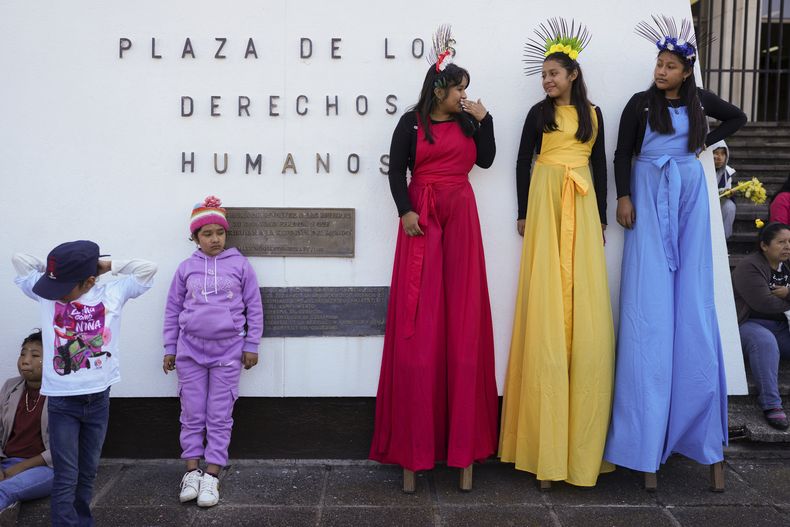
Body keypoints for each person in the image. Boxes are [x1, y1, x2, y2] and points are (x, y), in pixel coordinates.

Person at [605, 16, 747, 489]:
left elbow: (738, 117)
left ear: (686, 72)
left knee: (692, 299)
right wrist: (624, 196)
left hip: (687, 193)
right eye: (658, 64)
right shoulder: (640, 103)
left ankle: (692, 428)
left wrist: (702, 142)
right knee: (648, 303)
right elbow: (621, 153)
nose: (661, 71)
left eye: (669, 66)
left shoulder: (698, 101)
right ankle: (643, 436)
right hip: (649, 192)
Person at [369, 26, 498, 492]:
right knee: (419, 323)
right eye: (460, 87)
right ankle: (415, 448)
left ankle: (462, 447)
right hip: (423, 220)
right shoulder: (411, 123)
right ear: (440, 89)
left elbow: (484, 162)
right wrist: (405, 210)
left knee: (461, 319)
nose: (465, 94)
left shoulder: (468, 122)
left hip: (461, 217)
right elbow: (396, 168)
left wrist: (485, 120)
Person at [498, 18, 615, 488]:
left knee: (581, 296)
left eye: (553, 74)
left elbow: (600, 165)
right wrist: (524, 211)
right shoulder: (536, 114)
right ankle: (540, 442)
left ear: (572, 75)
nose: (547, 81)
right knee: (547, 294)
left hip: (581, 203)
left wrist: (602, 215)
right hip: (547, 201)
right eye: (543, 75)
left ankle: (580, 441)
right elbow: (521, 162)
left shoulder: (594, 113)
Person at [12, 241, 157, 526]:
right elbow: (19, 260)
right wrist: (56, 270)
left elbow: (148, 269)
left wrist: (104, 265)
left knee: (88, 471)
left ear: (90, 280)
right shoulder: (48, 295)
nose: (58, 295)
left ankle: (82, 521)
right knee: (66, 474)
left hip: (98, 399)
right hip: (62, 401)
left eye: (65, 288)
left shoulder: (113, 292)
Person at [163, 195, 263, 507]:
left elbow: (254, 308)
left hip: (228, 353)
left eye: (219, 233)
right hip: (190, 352)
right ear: (195, 237)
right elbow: (171, 310)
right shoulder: (186, 269)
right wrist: (169, 348)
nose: (214, 239)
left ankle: (213, 475)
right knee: (192, 413)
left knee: (219, 415)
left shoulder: (240, 265)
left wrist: (251, 344)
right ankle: (191, 471)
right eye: (206, 234)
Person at [732, 222, 790, 430]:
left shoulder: (787, 266)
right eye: (781, 242)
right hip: (747, 324)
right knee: (764, 341)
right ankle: (772, 404)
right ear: (764, 245)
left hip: (782, 326)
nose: (787, 246)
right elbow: (764, 302)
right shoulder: (750, 266)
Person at [0, 330, 53, 524]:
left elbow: (63, 449)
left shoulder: (61, 394)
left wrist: (18, 468)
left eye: (35, 355)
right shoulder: (10, 387)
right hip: (7, 462)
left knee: (4, 489)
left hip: (46, 468)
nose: (25, 360)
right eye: (23, 353)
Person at [712, 140, 737, 239]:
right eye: (715, 153)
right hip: (702, 203)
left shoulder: (727, 173)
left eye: (723, 154)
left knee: (729, 206)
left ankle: (723, 240)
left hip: (718, 203)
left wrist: (728, 193)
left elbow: (727, 189)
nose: (719, 157)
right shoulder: (700, 169)